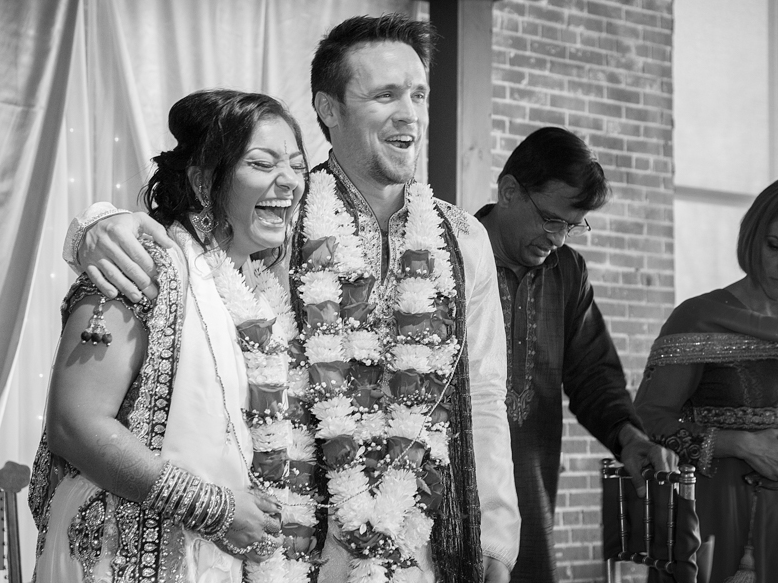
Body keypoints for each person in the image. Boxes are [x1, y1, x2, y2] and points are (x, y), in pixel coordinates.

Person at [58, 13, 520, 583]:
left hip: (424, 537)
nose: (410, 113)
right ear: (329, 110)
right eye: (385, 94)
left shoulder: (463, 238)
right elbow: (182, 235)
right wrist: (99, 227)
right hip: (295, 544)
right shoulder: (282, 221)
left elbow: (485, 393)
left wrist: (498, 541)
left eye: (418, 94)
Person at [28, 89, 306, 582]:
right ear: (203, 180)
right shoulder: (142, 265)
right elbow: (76, 424)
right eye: (262, 164)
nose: (288, 181)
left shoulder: (259, 293)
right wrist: (212, 509)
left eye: (297, 166)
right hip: (121, 556)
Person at [473, 127, 677, 583]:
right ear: (509, 191)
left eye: (573, 224)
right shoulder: (450, 256)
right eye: (551, 220)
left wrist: (629, 437)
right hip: (448, 497)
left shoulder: (567, 272)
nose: (560, 239)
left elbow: (593, 375)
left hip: (531, 493)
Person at [633, 181, 778, 583]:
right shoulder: (699, 318)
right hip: (717, 514)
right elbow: (645, 421)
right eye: (775, 247)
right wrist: (742, 444)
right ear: (753, 238)